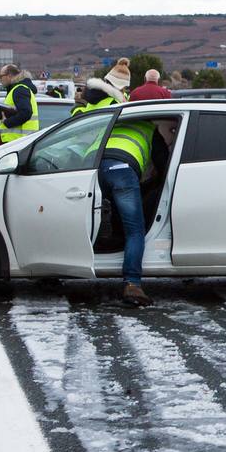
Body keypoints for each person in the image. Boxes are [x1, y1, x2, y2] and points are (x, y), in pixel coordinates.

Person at [97, 114, 173, 308]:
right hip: (123, 171)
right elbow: (165, 164)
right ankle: (132, 284)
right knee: (135, 231)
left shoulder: (114, 123)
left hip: (95, 169)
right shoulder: (148, 129)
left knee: (91, 216)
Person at [0, 64, 39, 143]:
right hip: (20, 141)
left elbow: (26, 112)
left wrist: (7, 122)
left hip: (18, 142)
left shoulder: (19, 89)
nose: (0, 79)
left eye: (1, 76)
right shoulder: (18, 89)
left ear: (9, 76)